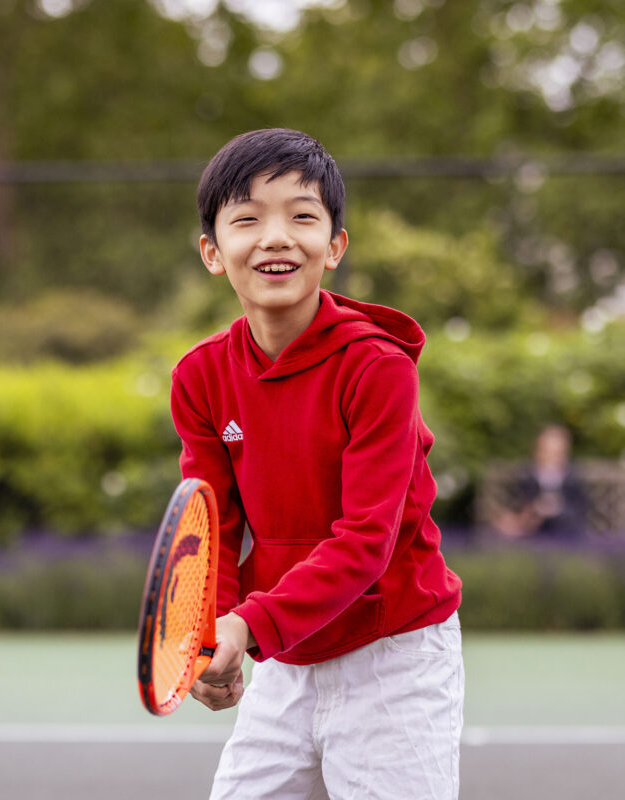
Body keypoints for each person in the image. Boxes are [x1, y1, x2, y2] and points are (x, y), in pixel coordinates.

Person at [170, 129, 464, 800]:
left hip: (395, 655)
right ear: (213, 253)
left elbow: (365, 543)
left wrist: (245, 625)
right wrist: (213, 640)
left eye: (302, 216)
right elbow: (210, 527)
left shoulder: (378, 369)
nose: (276, 237)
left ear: (334, 247)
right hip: (287, 654)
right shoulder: (201, 377)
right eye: (247, 218)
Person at [492, 424, 587, 540]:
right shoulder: (525, 477)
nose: (551, 458)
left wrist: (558, 510)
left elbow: (580, 511)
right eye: (546, 451)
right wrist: (532, 511)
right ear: (537, 450)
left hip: (565, 537)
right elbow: (513, 507)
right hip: (529, 536)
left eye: (557, 453)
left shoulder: (573, 479)